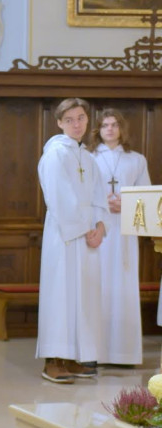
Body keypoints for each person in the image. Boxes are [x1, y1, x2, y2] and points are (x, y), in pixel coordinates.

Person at [37, 98, 108, 384]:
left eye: (81, 118)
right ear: (59, 123)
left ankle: (74, 356)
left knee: (83, 298)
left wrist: (100, 227)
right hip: (64, 237)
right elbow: (57, 197)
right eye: (70, 120)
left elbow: (99, 195)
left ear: (88, 121)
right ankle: (53, 360)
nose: (76, 124)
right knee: (61, 295)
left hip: (88, 238)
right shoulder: (55, 154)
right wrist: (83, 228)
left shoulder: (88, 158)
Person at [92, 109, 150, 367]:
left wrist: (124, 205)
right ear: (98, 130)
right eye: (105, 125)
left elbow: (145, 198)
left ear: (121, 129)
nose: (110, 129)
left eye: (114, 125)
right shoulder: (89, 158)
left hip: (124, 232)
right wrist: (102, 203)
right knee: (98, 285)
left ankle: (124, 353)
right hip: (98, 228)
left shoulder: (136, 160)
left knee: (122, 286)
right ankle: (95, 352)